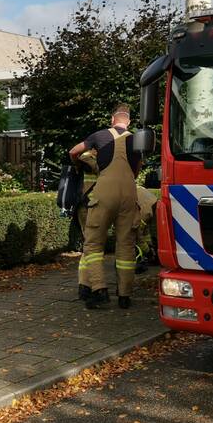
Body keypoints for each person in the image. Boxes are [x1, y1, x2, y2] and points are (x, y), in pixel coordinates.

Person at [69, 104, 142, 309]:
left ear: (112, 120)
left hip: (105, 192)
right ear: (129, 122)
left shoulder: (100, 135)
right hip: (129, 193)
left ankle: (99, 289)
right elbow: (136, 172)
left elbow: (74, 151)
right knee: (126, 244)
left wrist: (78, 164)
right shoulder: (137, 140)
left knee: (93, 243)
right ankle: (125, 296)